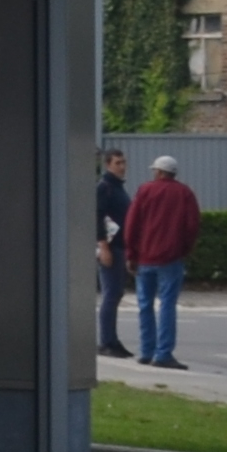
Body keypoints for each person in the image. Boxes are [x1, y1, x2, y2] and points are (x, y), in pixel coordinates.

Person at [120, 151, 203, 369]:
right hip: (171, 259)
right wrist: (183, 250)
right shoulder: (185, 193)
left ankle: (146, 351)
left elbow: (132, 224)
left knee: (144, 305)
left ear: (158, 172)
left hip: (145, 258)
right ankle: (163, 353)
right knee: (167, 304)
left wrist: (131, 253)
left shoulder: (145, 190)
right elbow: (192, 226)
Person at [95, 146, 133, 357]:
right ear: (108, 164)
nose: (122, 167)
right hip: (110, 247)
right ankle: (107, 341)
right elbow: (97, 216)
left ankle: (113, 339)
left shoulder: (118, 188)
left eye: (123, 162)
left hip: (120, 246)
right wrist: (103, 246)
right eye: (117, 163)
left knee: (116, 293)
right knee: (111, 294)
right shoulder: (105, 187)